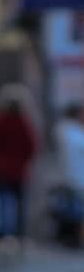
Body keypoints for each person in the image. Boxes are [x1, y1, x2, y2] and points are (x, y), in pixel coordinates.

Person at [0, 85, 39, 247]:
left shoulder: (0, 120)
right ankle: (19, 234)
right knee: (19, 204)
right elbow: (32, 145)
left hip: (3, 168)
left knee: (3, 202)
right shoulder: (23, 122)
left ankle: (3, 233)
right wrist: (23, 160)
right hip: (18, 170)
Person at [53, 102, 84, 246]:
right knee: (74, 211)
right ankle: (73, 238)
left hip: (67, 177)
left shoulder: (62, 132)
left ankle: (68, 237)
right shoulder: (75, 134)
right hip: (77, 178)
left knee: (69, 209)